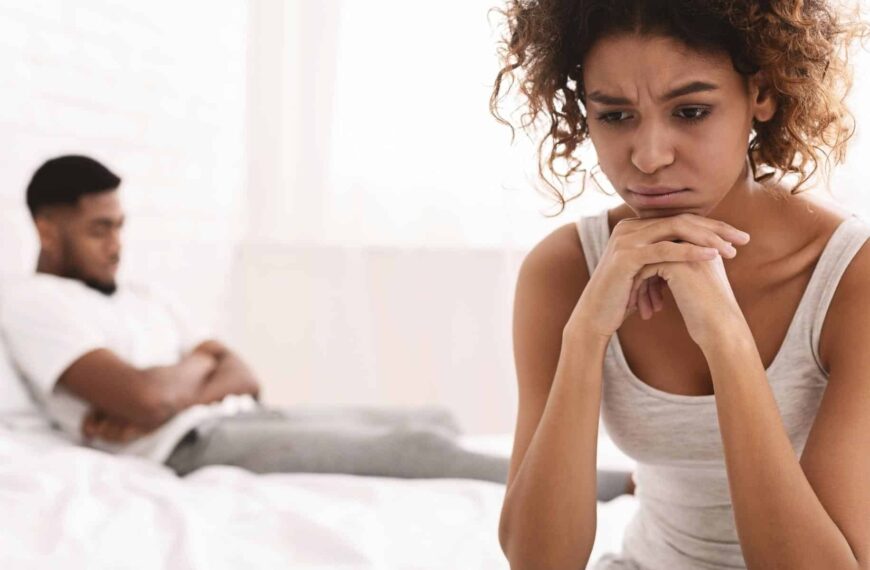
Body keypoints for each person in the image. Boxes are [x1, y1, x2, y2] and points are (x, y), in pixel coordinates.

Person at [0, 154, 636, 497]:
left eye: (119, 225)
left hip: (235, 418)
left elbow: (240, 371)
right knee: (415, 451)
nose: (116, 243)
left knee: (433, 418)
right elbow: (146, 397)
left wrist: (173, 386)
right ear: (47, 229)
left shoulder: (137, 294)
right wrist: (173, 387)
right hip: (191, 448)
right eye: (98, 229)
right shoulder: (36, 304)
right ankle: (625, 487)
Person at [490, 1, 870, 569]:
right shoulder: (566, 270)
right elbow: (538, 562)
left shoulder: (850, 277)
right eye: (615, 116)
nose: (648, 157)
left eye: (690, 111)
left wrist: (725, 338)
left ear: (761, 94)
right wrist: (587, 332)